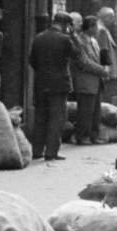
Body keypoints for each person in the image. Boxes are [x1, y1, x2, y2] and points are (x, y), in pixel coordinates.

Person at [28, 12, 76, 161]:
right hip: (59, 84)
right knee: (57, 117)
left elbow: (32, 60)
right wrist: (73, 36)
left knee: (41, 116)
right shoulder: (65, 39)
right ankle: (51, 152)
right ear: (65, 25)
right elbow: (77, 55)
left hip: (41, 82)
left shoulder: (39, 37)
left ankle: (36, 151)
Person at [70, 14, 111, 145]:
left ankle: (94, 135)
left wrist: (105, 67)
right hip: (85, 82)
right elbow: (85, 63)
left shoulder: (94, 41)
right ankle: (82, 136)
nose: (98, 29)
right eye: (96, 26)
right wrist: (103, 71)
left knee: (95, 111)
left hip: (96, 82)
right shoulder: (80, 41)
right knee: (85, 111)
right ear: (90, 27)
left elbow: (97, 59)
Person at [95, 6, 117, 111]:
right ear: (105, 17)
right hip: (106, 71)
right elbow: (103, 51)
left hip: (107, 70)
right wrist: (106, 70)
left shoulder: (103, 28)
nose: (114, 20)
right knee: (105, 97)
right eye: (112, 17)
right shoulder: (102, 30)